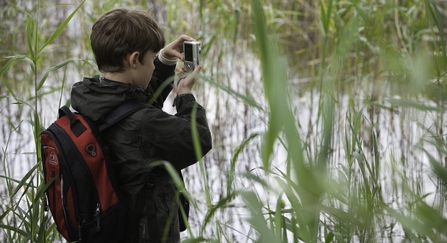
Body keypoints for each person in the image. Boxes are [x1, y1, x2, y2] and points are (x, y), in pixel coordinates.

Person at [70, 7, 212, 243]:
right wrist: (184, 95)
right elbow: (198, 139)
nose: (154, 66)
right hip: (145, 231)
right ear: (134, 59)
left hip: (112, 226)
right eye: (152, 60)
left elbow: (134, 105)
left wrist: (164, 61)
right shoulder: (142, 124)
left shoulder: (91, 97)